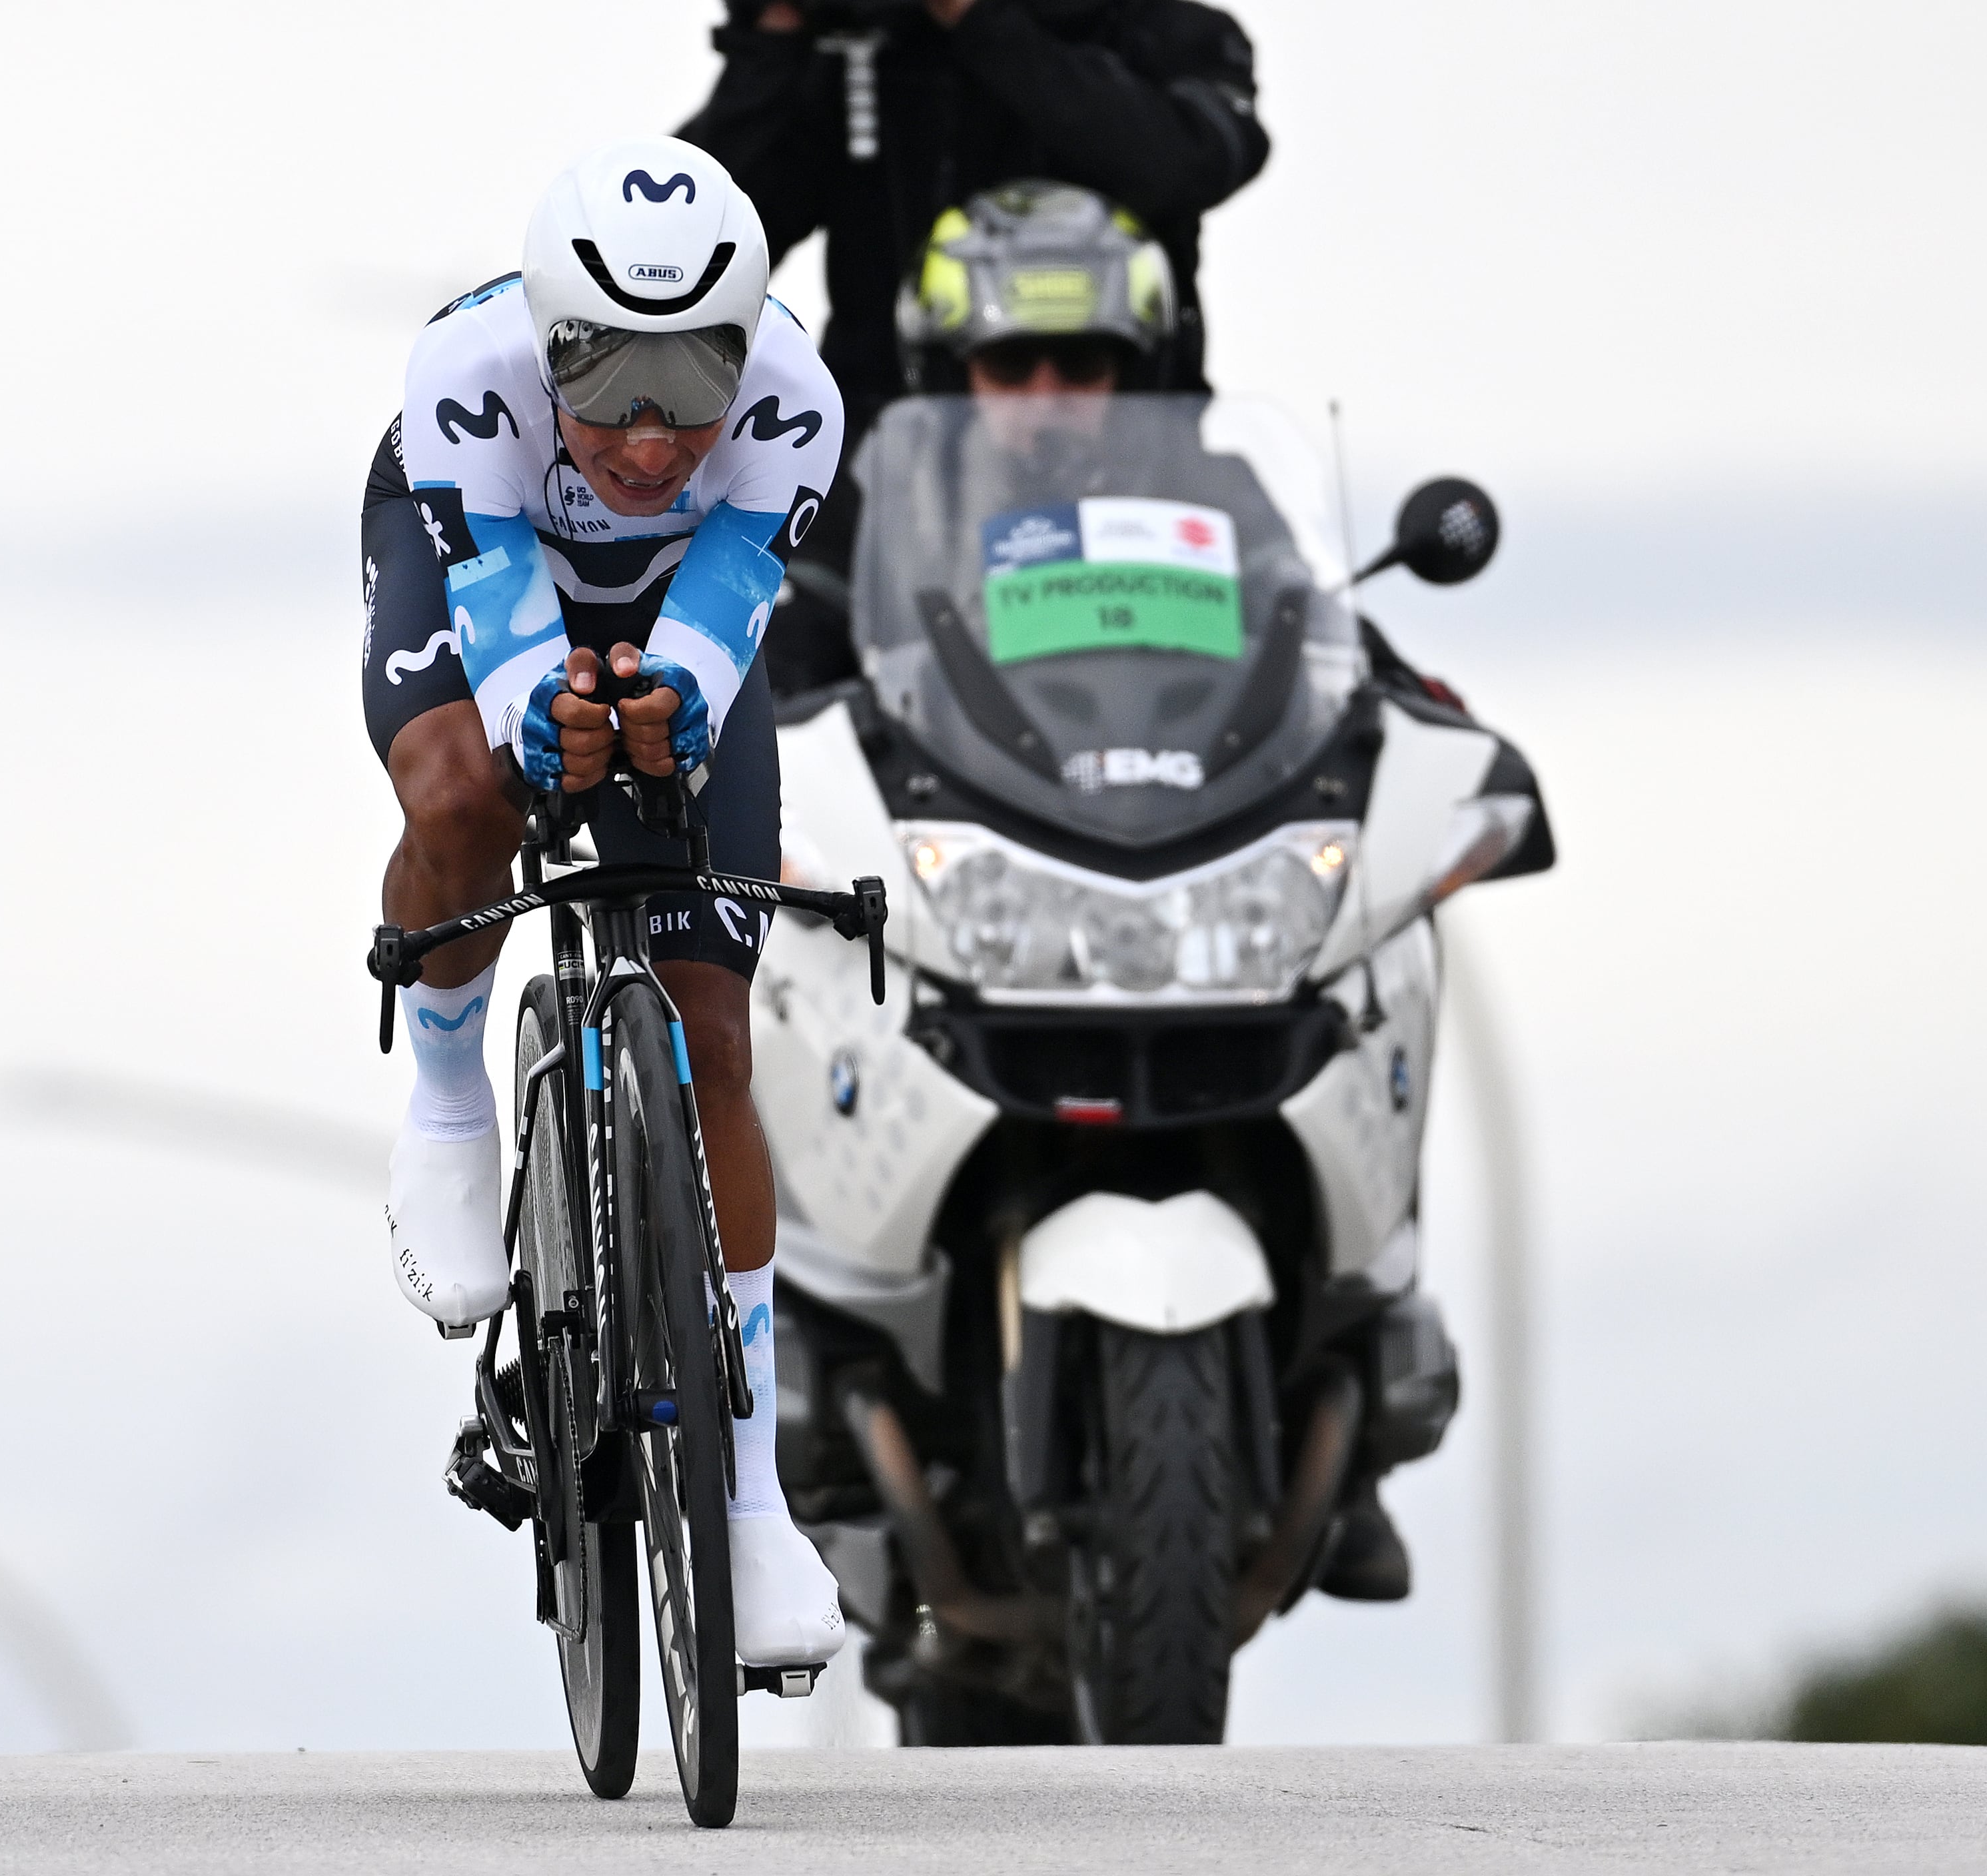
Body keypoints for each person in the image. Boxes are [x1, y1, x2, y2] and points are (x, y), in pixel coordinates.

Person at [870, 178, 1429, 1607]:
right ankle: (778, 1364)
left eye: (1087, 365)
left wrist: (1415, 707)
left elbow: (1319, 631)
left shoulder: (1219, 494)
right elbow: (789, 638)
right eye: (1014, 365)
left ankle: (1360, 1362)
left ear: (1142, 370)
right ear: (950, 371)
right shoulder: (876, 493)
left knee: (1391, 941)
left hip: (1200, 877)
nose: (1052, 396)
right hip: (976, 877)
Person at [358, 139, 845, 1667]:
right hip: (489, 567)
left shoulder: (801, 407)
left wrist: (672, 715)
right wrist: (538, 722)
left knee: (710, 1032)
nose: (648, 438)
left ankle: (754, 1510)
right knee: (467, 799)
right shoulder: (465, 374)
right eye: (610, 387)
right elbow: (499, 620)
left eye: (691, 390)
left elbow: (720, 621)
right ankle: (447, 1103)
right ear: (548, 343)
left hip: (675, 601)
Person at [679, 0, 1269, 423]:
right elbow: (691, 250)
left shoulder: (1162, 33)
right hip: (892, 464)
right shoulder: (857, 47)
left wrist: (977, 20)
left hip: (1131, 454)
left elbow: (1181, 166)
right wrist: (774, 37)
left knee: (1281, 586)